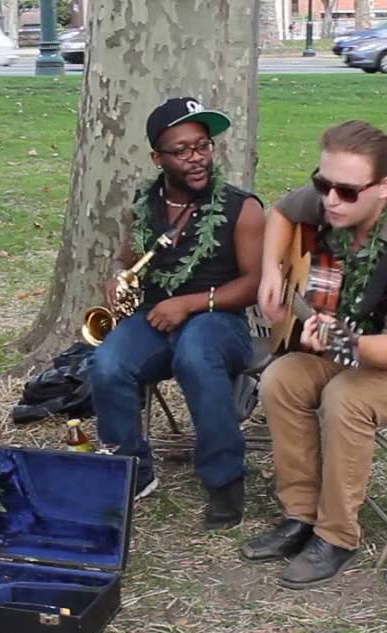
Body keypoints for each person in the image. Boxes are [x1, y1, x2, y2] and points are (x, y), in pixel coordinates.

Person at [243, 120, 387, 588]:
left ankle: (337, 536)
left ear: (384, 187)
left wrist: (340, 341)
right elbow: (283, 213)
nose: (330, 200)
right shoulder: (336, 198)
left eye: (346, 192)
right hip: (357, 338)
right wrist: (270, 272)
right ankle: (300, 515)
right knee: (282, 378)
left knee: (347, 397)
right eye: (322, 184)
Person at [90, 97, 266, 530]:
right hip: (155, 316)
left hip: (221, 319)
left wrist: (189, 303)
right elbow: (127, 256)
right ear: (158, 158)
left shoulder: (242, 207)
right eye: (182, 150)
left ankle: (225, 480)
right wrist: (117, 276)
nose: (196, 157)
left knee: (196, 354)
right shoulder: (145, 204)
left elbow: (253, 284)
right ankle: (132, 471)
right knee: (107, 363)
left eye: (203, 146)